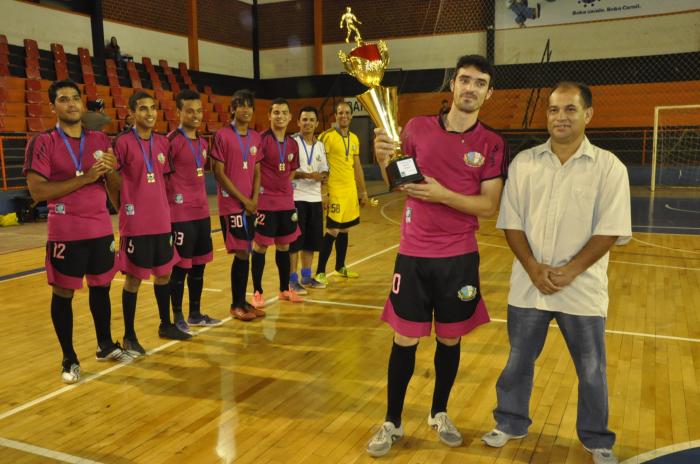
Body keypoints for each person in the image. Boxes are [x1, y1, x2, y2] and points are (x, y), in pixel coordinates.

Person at [483, 81, 631, 464]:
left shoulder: (609, 167)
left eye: (569, 109)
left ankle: (597, 438)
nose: (560, 117)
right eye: (553, 109)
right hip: (529, 286)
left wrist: (570, 271)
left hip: (582, 289)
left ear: (588, 115)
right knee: (518, 360)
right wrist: (533, 268)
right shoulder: (525, 163)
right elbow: (511, 223)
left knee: (592, 369)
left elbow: (611, 228)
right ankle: (511, 421)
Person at [367, 55, 507, 457]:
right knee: (405, 338)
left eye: (480, 83)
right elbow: (398, 183)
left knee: (449, 338)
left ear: (488, 93)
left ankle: (439, 412)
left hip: (460, 257)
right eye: (465, 80)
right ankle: (392, 421)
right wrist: (382, 157)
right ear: (453, 86)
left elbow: (489, 206)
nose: (470, 88)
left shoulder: (492, 143)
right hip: (413, 254)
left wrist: (442, 194)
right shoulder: (416, 128)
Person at [23, 80, 132, 384]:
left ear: (82, 104)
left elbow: (116, 189)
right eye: (63, 99)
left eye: (74, 99)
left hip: (99, 228)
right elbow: (37, 191)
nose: (70, 104)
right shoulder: (42, 142)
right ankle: (69, 358)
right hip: (65, 231)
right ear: (53, 106)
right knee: (64, 292)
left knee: (102, 287)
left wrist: (111, 172)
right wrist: (84, 178)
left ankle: (106, 345)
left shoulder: (99, 139)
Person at [106, 90, 191, 359]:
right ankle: (129, 336)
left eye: (153, 108)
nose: (150, 113)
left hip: (162, 222)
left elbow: (165, 181)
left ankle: (165, 324)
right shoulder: (121, 143)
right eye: (143, 109)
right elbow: (111, 180)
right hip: (136, 224)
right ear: (131, 114)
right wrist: (123, 209)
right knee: (133, 280)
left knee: (163, 274)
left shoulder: (162, 142)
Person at [166, 89, 221, 334]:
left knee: (199, 265)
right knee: (180, 268)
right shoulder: (171, 142)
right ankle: (177, 315)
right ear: (178, 112)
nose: (196, 115)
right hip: (180, 215)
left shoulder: (202, 142)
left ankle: (195, 313)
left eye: (199, 111)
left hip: (201, 214)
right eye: (190, 111)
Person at [211, 89, 264, 322]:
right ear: (232, 109)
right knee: (242, 251)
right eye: (240, 105)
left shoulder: (255, 137)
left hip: (249, 205)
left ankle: (243, 301)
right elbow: (218, 173)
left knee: (247, 251)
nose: (245, 109)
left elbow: (257, 171)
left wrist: (254, 199)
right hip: (232, 205)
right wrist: (244, 200)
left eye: (249, 106)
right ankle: (236, 304)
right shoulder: (222, 135)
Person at [249, 98, 304, 308]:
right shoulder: (261, 140)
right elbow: (254, 170)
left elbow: (291, 169)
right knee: (261, 246)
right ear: (269, 116)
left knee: (284, 245)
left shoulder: (292, 144)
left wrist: (283, 188)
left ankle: (283, 289)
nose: (280, 116)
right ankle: (257, 292)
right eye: (276, 112)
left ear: (290, 117)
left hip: (286, 203)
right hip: (264, 202)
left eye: (283, 113)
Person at [315, 102, 368, 286]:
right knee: (333, 230)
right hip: (334, 190)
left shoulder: (354, 138)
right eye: (340, 113)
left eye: (347, 113)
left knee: (345, 229)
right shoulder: (326, 137)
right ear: (335, 116)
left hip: (350, 190)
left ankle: (340, 267)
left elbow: (357, 166)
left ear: (351, 116)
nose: (343, 116)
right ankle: (320, 271)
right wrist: (323, 192)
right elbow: (320, 165)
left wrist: (362, 190)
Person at [289, 106, 329, 294]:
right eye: (304, 119)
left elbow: (325, 170)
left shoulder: (320, 145)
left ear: (317, 123)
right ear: (298, 122)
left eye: (311, 120)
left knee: (311, 242)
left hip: (314, 199)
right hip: (296, 198)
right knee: (295, 242)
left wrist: (322, 178)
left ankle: (306, 276)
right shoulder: (291, 143)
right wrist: (307, 175)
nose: (308, 123)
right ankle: (292, 280)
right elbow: (287, 172)